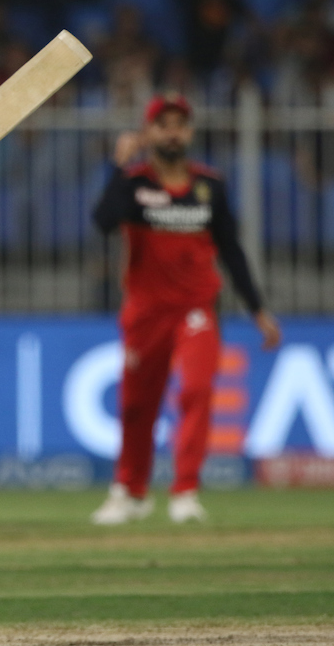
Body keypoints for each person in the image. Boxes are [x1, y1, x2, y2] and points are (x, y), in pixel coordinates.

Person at [91, 93, 281, 525]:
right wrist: (119, 168)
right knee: (139, 404)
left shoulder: (208, 185)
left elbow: (231, 249)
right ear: (149, 132)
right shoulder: (136, 182)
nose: (172, 132)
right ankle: (130, 491)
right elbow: (103, 222)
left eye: (180, 124)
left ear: (190, 132)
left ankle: (185, 492)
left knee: (196, 391)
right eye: (164, 124)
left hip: (196, 308)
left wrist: (258, 310)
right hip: (145, 310)